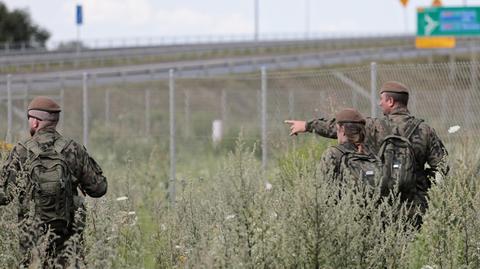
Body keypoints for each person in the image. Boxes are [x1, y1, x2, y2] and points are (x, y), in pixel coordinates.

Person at [285, 81, 449, 222]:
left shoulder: (374, 127)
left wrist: (307, 126)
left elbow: (340, 128)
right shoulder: (425, 130)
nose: (379, 103)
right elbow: (443, 166)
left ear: (390, 101)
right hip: (416, 205)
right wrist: (426, 186)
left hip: (381, 205)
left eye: (382, 100)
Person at [0, 96, 108, 267]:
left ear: (35, 122)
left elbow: (3, 196)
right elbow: (99, 188)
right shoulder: (73, 149)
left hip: (32, 241)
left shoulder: (21, 151)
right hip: (68, 241)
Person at [319, 108, 378, 187]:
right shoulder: (372, 152)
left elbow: (323, 187)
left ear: (342, 130)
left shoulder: (333, 153)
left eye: (337, 129)